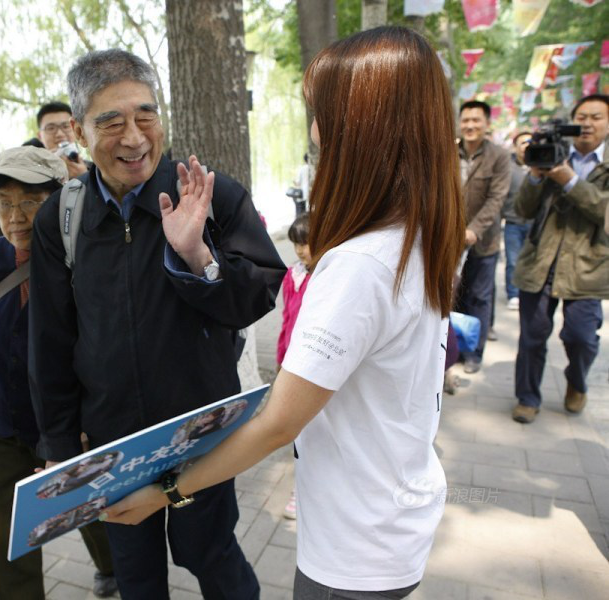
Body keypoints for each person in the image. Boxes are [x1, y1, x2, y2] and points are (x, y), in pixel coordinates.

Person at [104, 26, 465, 600]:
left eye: (321, 113)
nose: (315, 132)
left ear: (363, 129)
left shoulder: (359, 266)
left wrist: (164, 491)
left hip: (355, 544)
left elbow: (278, 422)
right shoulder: (418, 233)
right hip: (392, 515)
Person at [29, 49, 285, 599]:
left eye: (146, 116)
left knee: (209, 552)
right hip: (112, 441)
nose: (134, 138)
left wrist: (197, 256)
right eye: (111, 121)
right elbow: (50, 337)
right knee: (135, 572)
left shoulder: (209, 194)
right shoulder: (62, 218)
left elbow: (258, 294)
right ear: (76, 129)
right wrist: (56, 441)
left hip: (200, 430)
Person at [0, 146, 117, 599]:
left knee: (89, 508)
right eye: (4, 202)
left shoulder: (89, 259)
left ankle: (113, 567)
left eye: (30, 201)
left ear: (62, 199)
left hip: (69, 427)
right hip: (0, 425)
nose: (15, 216)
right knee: (7, 541)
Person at [510, 94, 608, 424]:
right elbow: (522, 210)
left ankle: (577, 384)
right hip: (541, 262)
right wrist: (537, 175)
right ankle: (527, 398)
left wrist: (570, 181)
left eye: (596, 117)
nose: (588, 123)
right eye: (582, 116)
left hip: (588, 268)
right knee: (532, 337)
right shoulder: (552, 152)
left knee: (581, 337)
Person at [455, 100, 512, 374]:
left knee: (479, 297)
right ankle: (452, 350)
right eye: (466, 120)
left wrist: (474, 230)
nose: (470, 126)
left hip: (484, 243)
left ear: (487, 124)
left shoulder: (499, 156)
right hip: (449, 242)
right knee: (453, 296)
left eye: (476, 120)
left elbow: (496, 199)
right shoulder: (448, 153)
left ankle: (474, 353)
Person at [276, 212, 312, 521]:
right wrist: (280, 359)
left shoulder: (327, 276)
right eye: (296, 244)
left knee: (314, 433)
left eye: (307, 243)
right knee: (299, 434)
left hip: (314, 367)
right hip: (291, 362)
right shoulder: (293, 275)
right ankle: (301, 490)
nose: (301, 250)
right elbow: (286, 319)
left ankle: (309, 491)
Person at [503, 131, 534, 311]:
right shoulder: (508, 166)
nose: (526, 146)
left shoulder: (541, 163)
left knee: (530, 260)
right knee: (513, 260)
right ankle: (513, 294)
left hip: (534, 223)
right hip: (513, 222)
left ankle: (527, 292)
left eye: (530, 142)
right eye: (522, 142)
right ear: (515, 146)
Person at [36, 100, 89, 178]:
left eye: (66, 126)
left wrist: (84, 178)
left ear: (77, 130)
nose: (60, 134)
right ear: (40, 136)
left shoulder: (96, 169)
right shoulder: (31, 174)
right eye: (51, 128)